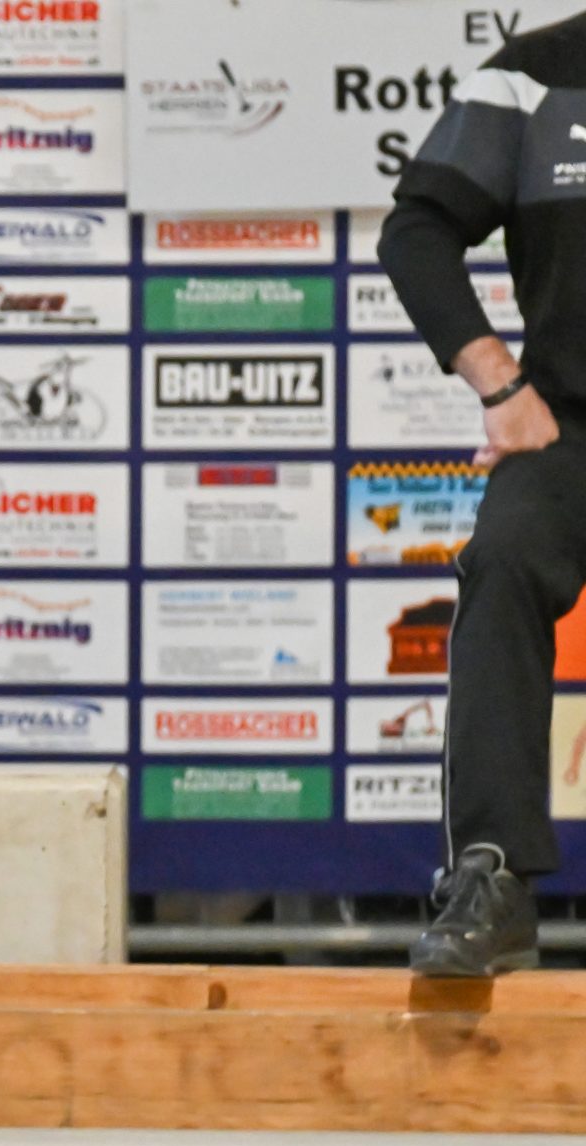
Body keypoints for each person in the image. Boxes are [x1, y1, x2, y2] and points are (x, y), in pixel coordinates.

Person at [379, 13, 586, 977]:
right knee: (500, 559)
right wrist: (501, 386)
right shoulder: (535, 73)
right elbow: (418, 230)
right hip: (570, 427)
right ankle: (490, 877)